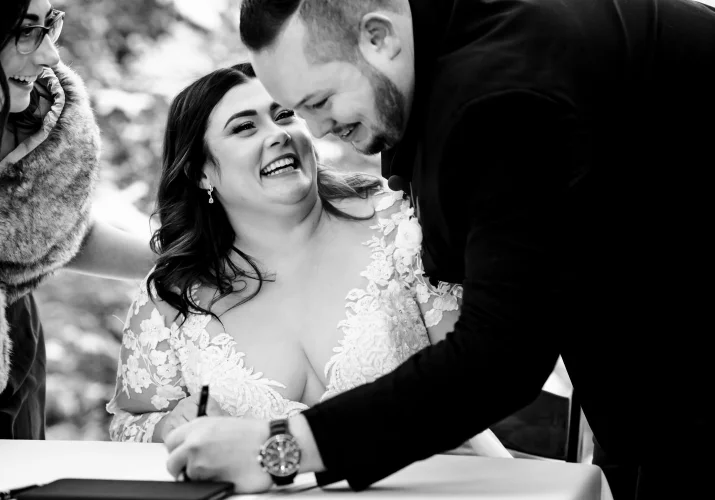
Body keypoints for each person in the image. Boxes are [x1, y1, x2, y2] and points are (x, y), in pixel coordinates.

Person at [163, 1, 715, 499]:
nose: (316, 131)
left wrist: (276, 450)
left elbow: (500, 357)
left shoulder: (498, 94)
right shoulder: (446, 46)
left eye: (320, 101)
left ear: (378, 37)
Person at [106, 63, 512, 461]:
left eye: (284, 115)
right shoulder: (169, 299)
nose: (279, 133)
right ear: (200, 173)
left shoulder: (402, 228)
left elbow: (479, 373)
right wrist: (167, 427)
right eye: (245, 127)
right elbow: (129, 425)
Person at [1, 0, 154, 439]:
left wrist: (183, 259)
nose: (50, 54)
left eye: (51, 26)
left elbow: (59, 234)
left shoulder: (44, 118)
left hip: (13, 347)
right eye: (26, 30)